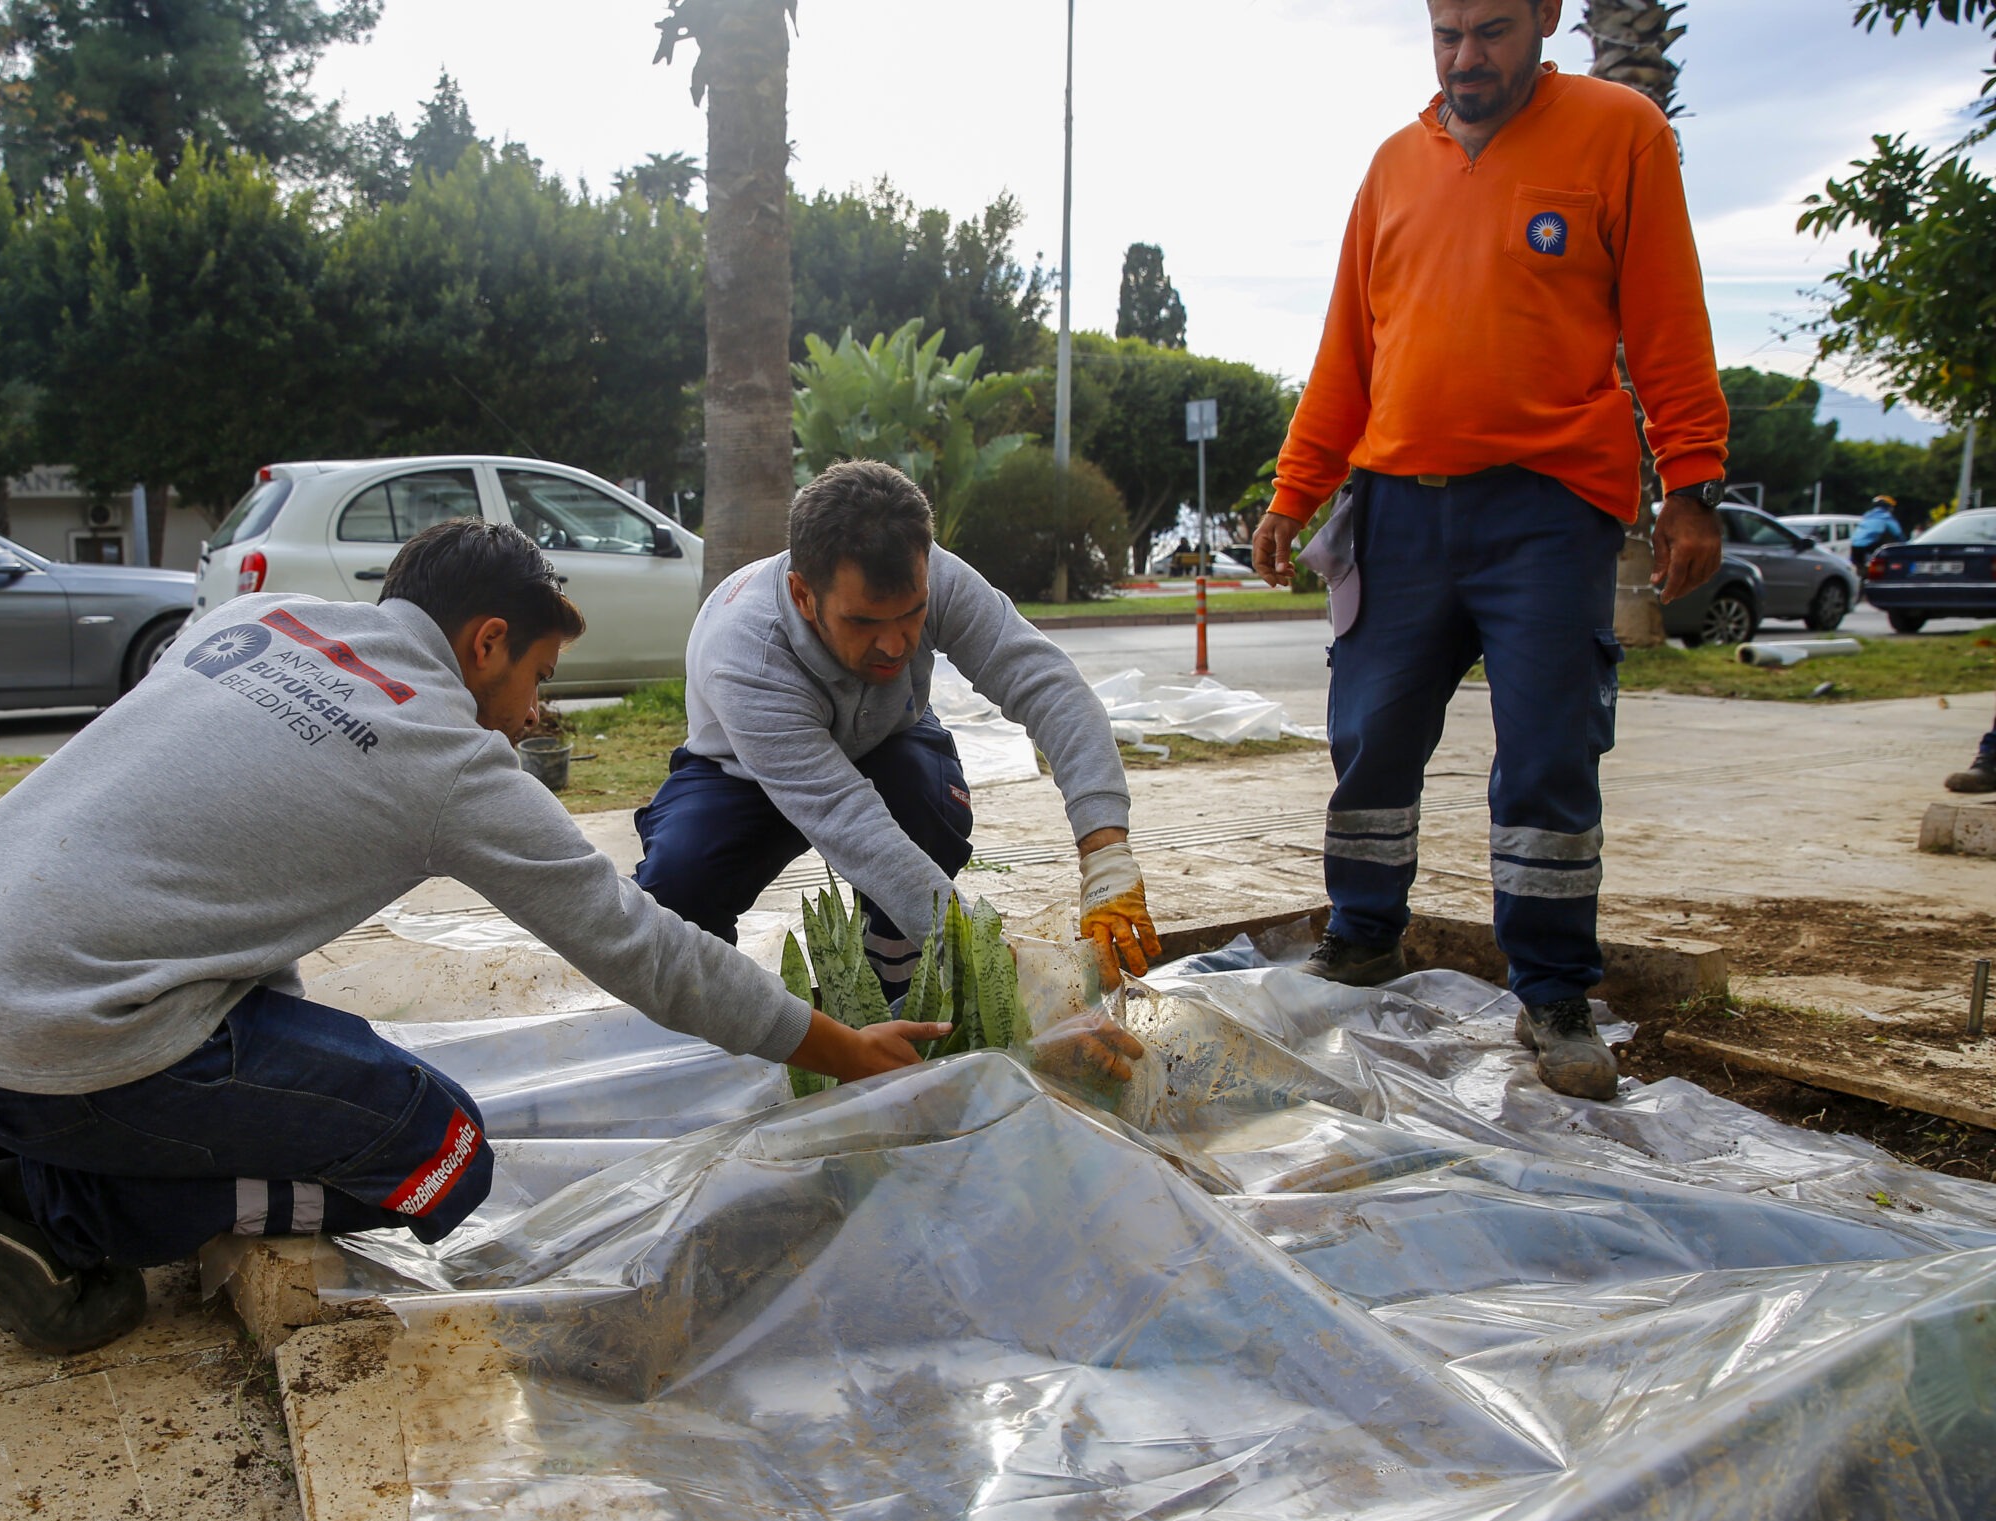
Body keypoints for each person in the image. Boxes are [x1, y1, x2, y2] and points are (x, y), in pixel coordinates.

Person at [0, 519, 948, 1355]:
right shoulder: (445, 753)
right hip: (66, 1040)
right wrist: (836, 1048)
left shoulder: (255, 620)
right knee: (438, 1155)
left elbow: (193, 854)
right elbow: (641, 945)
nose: (535, 711)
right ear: (483, 642)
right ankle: (38, 1221)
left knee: (261, 1051)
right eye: (536, 674)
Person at [1248, 0, 1728, 1101]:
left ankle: (1554, 995)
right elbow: (1345, 356)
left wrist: (1692, 485)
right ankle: (1361, 937)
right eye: (1447, 34)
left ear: (1549, 16)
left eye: (1494, 32)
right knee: (1368, 738)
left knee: (1551, 750)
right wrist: (1294, 491)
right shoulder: (1390, 168)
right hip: (1399, 512)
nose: (1466, 58)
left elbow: (1666, 320)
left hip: (1548, 513)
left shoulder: (1618, 135)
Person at [633, 458, 1162, 1007]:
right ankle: (713, 1017)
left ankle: (898, 974)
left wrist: (1105, 851)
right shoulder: (747, 657)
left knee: (924, 798)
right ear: (801, 595)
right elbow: (847, 820)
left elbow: (1048, 686)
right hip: (741, 771)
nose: (894, 646)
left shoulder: (938, 576)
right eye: (863, 622)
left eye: (911, 615)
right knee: (677, 889)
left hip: (888, 737)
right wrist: (989, 963)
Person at [1848, 494, 1904, 569]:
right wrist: (1904, 543)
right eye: (1891, 507)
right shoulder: (1885, 516)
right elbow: (1897, 532)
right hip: (1869, 545)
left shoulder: (1867, 515)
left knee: (1860, 569)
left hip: (1854, 546)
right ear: (1887, 507)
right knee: (1883, 564)